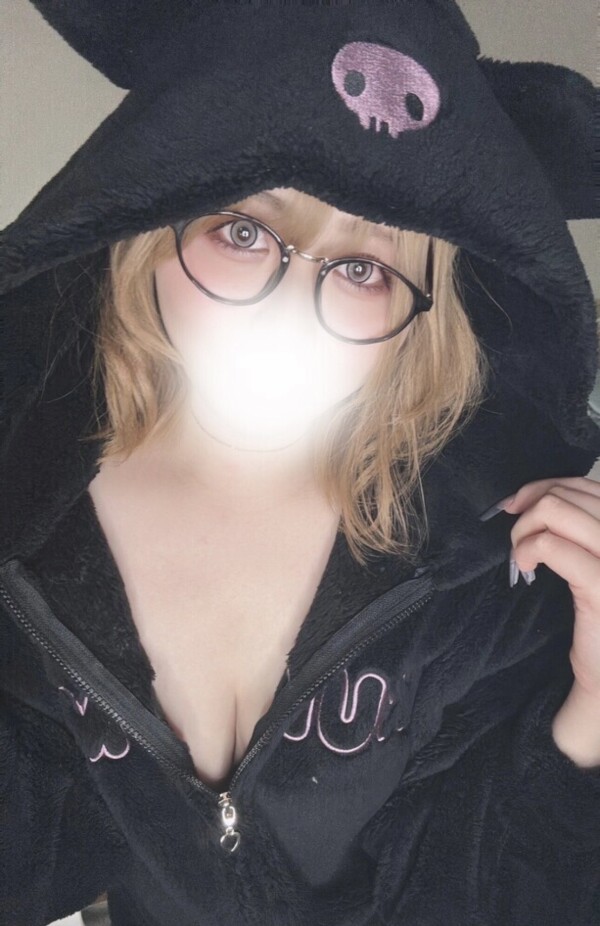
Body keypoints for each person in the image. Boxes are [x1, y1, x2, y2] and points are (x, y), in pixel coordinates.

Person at [1, 2, 600, 925]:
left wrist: (593, 711)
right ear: (148, 224)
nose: (288, 308)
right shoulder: (28, 533)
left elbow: (485, 882)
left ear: (418, 320)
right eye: (244, 232)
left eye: (364, 269)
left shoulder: (483, 561)